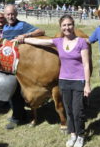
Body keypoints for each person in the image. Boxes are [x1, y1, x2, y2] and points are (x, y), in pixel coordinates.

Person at [22, 15, 90, 147]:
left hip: (78, 80)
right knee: (68, 110)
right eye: (64, 25)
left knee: (78, 110)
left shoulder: (81, 42)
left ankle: (80, 135)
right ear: (61, 27)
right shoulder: (58, 41)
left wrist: (87, 84)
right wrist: (24, 39)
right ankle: (73, 134)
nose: (67, 27)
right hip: (64, 81)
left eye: (69, 24)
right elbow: (40, 42)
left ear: (73, 25)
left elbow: (86, 65)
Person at [2, 4, 45, 129]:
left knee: (17, 91)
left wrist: (26, 36)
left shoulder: (22, 25)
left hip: (22, 66)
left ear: (16, 14)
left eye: (12, 14)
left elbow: (41, 31)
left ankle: (17, 117)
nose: (10, 16)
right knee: (12, 91)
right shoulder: (5, 28)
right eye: (8, 14)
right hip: (9, 65)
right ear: (5, 15)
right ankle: (20, 114)